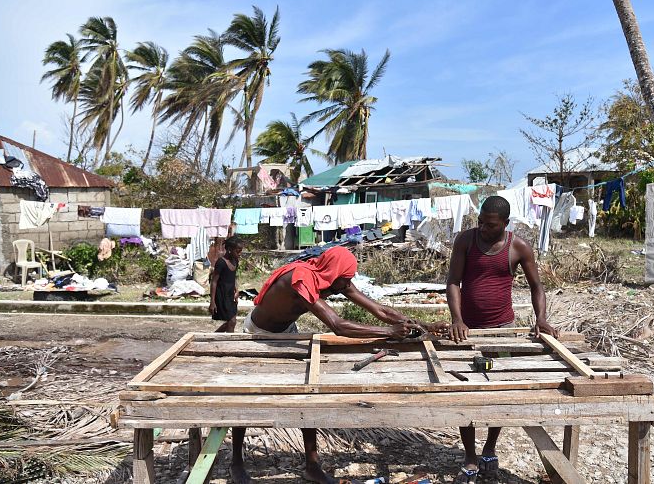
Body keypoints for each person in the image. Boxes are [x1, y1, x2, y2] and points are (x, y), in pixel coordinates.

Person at [230, 245, 447, 484]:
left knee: (307, 395)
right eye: (344, 281)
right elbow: (337, 325)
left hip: (286, 332)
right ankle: (236, 463)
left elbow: (379, 309)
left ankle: (312, 466)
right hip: (258, 333)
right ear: (334, 273)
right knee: (246, 393)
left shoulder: (333, 277)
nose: (345, 286)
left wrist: (419, 325)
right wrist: (388, 332)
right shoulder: (300, 278)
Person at [446, 195, 558, 483]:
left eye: (489, 224)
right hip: (468, 330)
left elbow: (537, 287)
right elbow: (453, 282)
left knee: (497, 387)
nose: (482, 227)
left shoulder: (518, 247)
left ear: (505, 224)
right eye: (480, 221)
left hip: (503, 329)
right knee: (467, 389)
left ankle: (490, 447)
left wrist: (541, 319)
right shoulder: (466, 241)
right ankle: (469, 454)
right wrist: (457, 319)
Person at [209, 236, 243, 333]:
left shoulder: (235, 261)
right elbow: (214, 281)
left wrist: (237, 290)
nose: (240, 254)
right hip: (222, 295)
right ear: (229, 249)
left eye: (241, 251)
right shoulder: (221, 262)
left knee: (231, 322)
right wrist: (212, 302)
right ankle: (230, 343)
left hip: (230, 295)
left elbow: (234, 277)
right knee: (232, 321)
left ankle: (214, 337)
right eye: (237, 251)